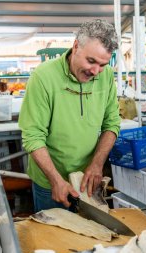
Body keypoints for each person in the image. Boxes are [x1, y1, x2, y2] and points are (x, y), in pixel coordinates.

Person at [19, 19, 121, 212]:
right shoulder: (43, 77)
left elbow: (112, 124)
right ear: (75, 47)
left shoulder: (105, 75)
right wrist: (56, 180)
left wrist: (97, 164)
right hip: (50, 182)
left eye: (102, 64)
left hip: (87, 179)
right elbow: (33, 136)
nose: (95, 71)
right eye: (91, 61)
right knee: (55, 239)